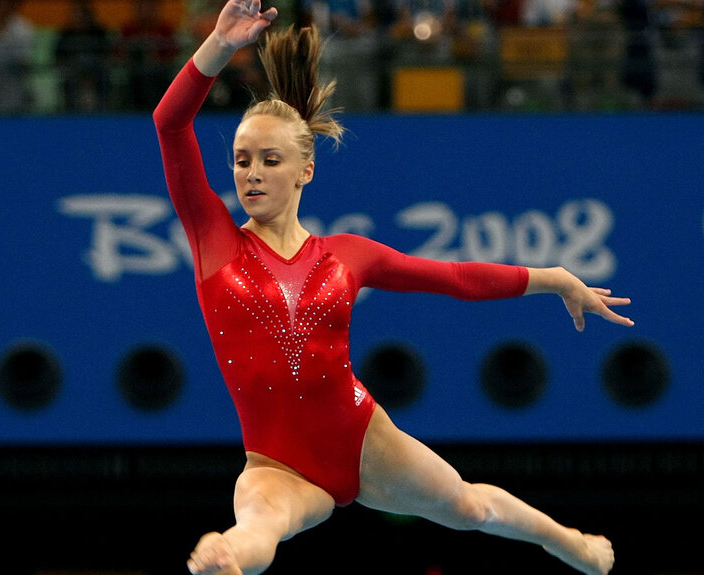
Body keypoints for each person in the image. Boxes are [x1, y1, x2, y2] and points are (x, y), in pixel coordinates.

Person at [153, 2, 631, 574]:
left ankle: (566, 540)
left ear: (304, 170)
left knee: (469, 505)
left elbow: (453, 278)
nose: (251, 173)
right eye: (241, 160)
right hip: (275, 461)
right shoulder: (215, 244)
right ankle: (223, 560)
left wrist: (552, 278)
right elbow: (170, 124)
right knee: (256, 528)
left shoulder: (347, 254)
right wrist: (218, 46)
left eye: (269, 160)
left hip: (362, 437)